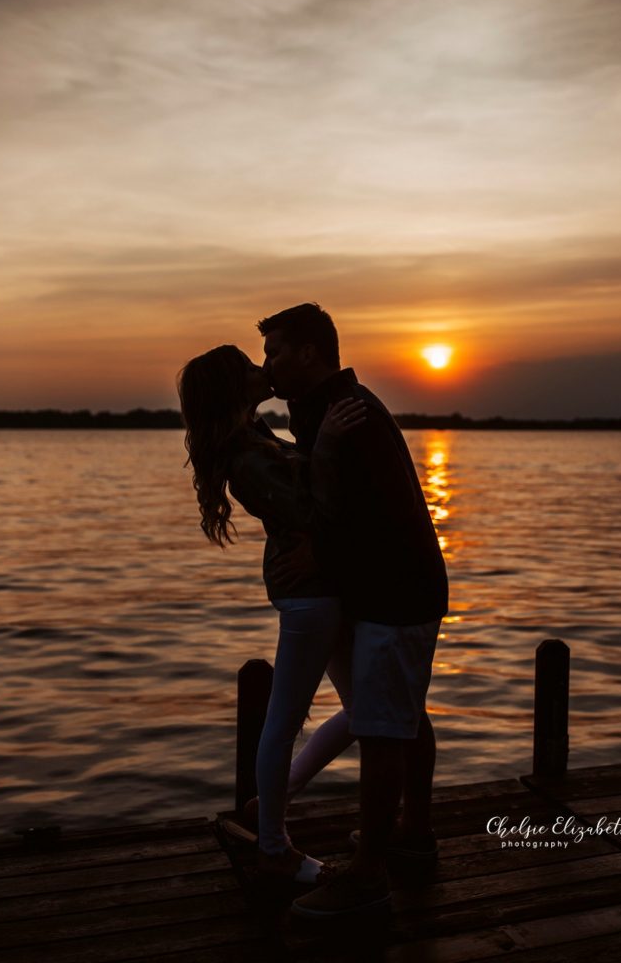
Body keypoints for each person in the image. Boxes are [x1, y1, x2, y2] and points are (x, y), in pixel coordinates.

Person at [256, 303, 448, 917]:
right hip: (396, 588)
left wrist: (313, 555)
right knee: (403, 714)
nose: (268, 366)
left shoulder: (348, 414)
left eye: (277, 351)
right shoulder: (322, 411)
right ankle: (413, 836)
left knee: (383, 728)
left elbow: (345, 514)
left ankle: (369, 876)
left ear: (311, 352)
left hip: (395, 592)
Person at [177, 345, 364, 884]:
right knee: (283, 721)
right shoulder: (247, 455)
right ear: (235, 387)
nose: (267, 371)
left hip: (319, 588)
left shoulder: (256, 436)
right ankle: (273, 848)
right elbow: (311, 510)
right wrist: (327, 442)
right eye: (252, 367)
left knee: (364, 708)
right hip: (307, 594)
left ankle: (268, 811)